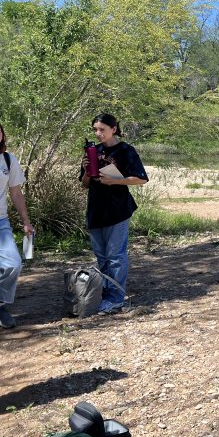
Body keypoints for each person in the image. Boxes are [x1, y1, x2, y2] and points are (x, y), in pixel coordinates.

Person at [79, 113, 148, 314]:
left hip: (117, 210)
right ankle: (106, 292)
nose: (98, 133)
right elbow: (84, 185)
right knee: (101, 256)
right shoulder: (93, 151)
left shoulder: (125, 151)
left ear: (114, 129)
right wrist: (85, 170)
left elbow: (141, 179)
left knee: (115, 255)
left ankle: (116, 298)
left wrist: (116, 180)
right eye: (95, 130)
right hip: (96, 209)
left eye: (102, 129)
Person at [0, 123, 35, 329]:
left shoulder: (8, 160)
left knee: (13, 264)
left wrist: (26, 222)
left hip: (1, 221)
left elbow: (16, 193)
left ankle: (1, 305)